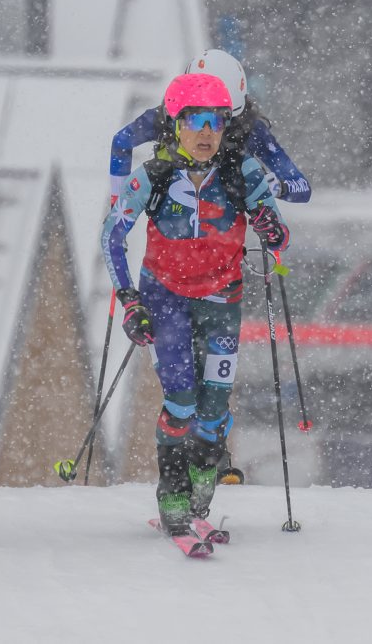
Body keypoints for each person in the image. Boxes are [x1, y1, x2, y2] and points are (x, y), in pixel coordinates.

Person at [100, 74, 290, 536]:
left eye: (217, 122)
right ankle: (172, 492)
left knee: (215, 410)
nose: (206, 133)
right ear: (176, 125)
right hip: (165, 298)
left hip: (222, 298)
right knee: (182, 401)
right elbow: (112, 236)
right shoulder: (155, 174)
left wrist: (268, 225)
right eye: (196, 121)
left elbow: (279, 238)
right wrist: (129, 300)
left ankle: (202, 484)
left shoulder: (240, 171)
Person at [109, 48, 311, 206]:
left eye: (219, 117)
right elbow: (121, 142)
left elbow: (302, 188)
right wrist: (118, 206)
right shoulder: (166, 116)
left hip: (222, 224)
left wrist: (276, 187)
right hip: (173, 217)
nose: (207, 129)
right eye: (196, 116)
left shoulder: (250, 128)